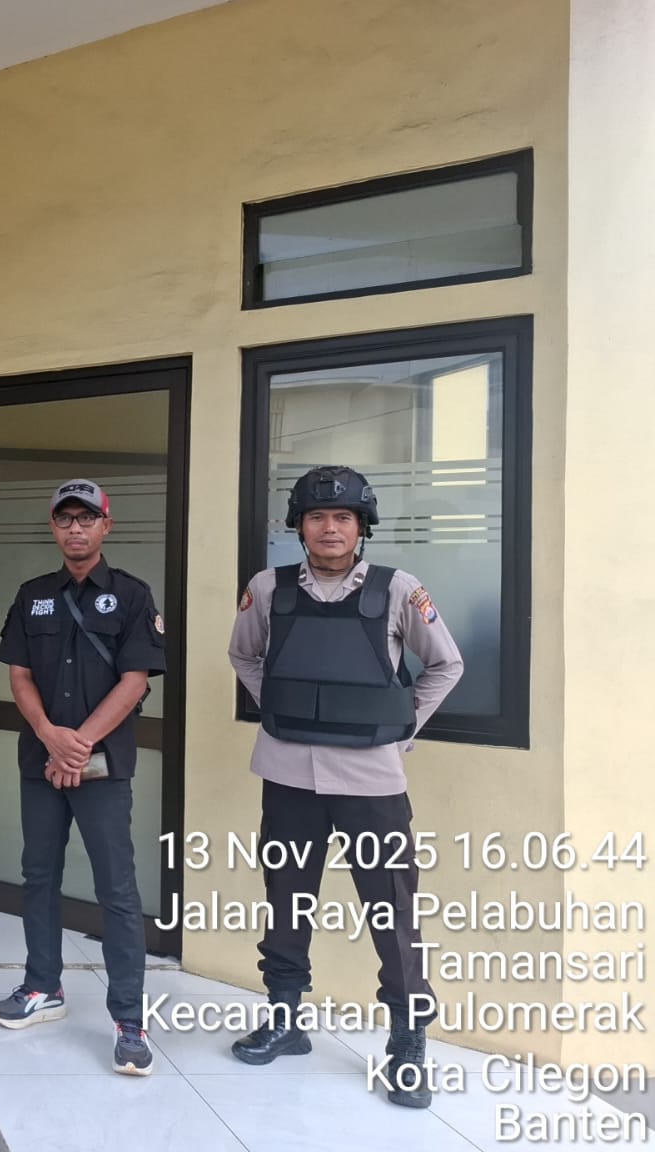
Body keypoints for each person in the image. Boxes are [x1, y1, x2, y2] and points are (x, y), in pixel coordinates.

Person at [227, 465, 464, 1109]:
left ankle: (407, 1042)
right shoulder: (267, 589)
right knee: (287, 899)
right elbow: (243, 655)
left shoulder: (398, 589)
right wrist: (280, 708)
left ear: (362, 527)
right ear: (298, 526)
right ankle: (285, 1018)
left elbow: (446, 663)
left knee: (390, 907)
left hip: (370, 778)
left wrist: (400, 727)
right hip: (287, 773)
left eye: (343, 518)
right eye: (316, 517)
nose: (329, 528)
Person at [0, 478, 167, 1075]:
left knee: (116, 887)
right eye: (65, 519)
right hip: (41, 760)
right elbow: (19, 674)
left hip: (103, 764)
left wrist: (79, 743)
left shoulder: (133, 595)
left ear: (105, 526)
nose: (75, 528)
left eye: (86, 518)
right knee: (38, 875)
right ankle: (43, 985)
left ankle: (129, 1019)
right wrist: (49, 735)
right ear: (53, 527)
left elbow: (135, 681)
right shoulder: (33, 595)